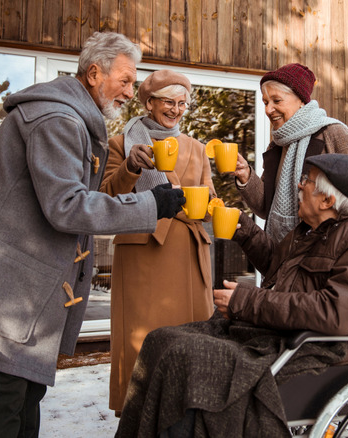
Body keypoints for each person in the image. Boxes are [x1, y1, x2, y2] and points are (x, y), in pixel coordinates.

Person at [0, 32, 186, 438]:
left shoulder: (69, 117)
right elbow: (67, 206)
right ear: (93, 73)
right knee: (5, 409)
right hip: (6, 300)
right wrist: (151, 206)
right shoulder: (58, 120)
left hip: (19, 299)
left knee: (22, 404)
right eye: (124, 80)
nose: (129, 90)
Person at [116, 154, 348, 438]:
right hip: (279, 335)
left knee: (187, 358)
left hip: (322, 351)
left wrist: (247, 302)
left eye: (306, 181)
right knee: (160, 340)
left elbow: (338, 313)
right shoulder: (310, 230)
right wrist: (245, 230)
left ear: (327, 200)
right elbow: (278, 265)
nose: (299, 186)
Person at [100, 69, 216, 415]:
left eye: (182, 103)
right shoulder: (121, 144)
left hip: (187, 254)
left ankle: (186, 413)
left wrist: (213, 206)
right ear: (149, 103)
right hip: (143, 254)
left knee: (189, 338)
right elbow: (104, 197)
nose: (176, 109)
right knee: (143, 340)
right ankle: (139, 414)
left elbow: (208, 205)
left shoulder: (196, 148)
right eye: (169, 101)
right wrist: (130, 169)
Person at [232, 63, 348, 242]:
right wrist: (245, 176)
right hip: (282, 255)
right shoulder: (277, 145)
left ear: (301, 101)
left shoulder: (330, 132)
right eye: (266, 102)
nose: (268, 110)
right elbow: (264, 207)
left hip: (321, 253)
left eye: (277, 101)